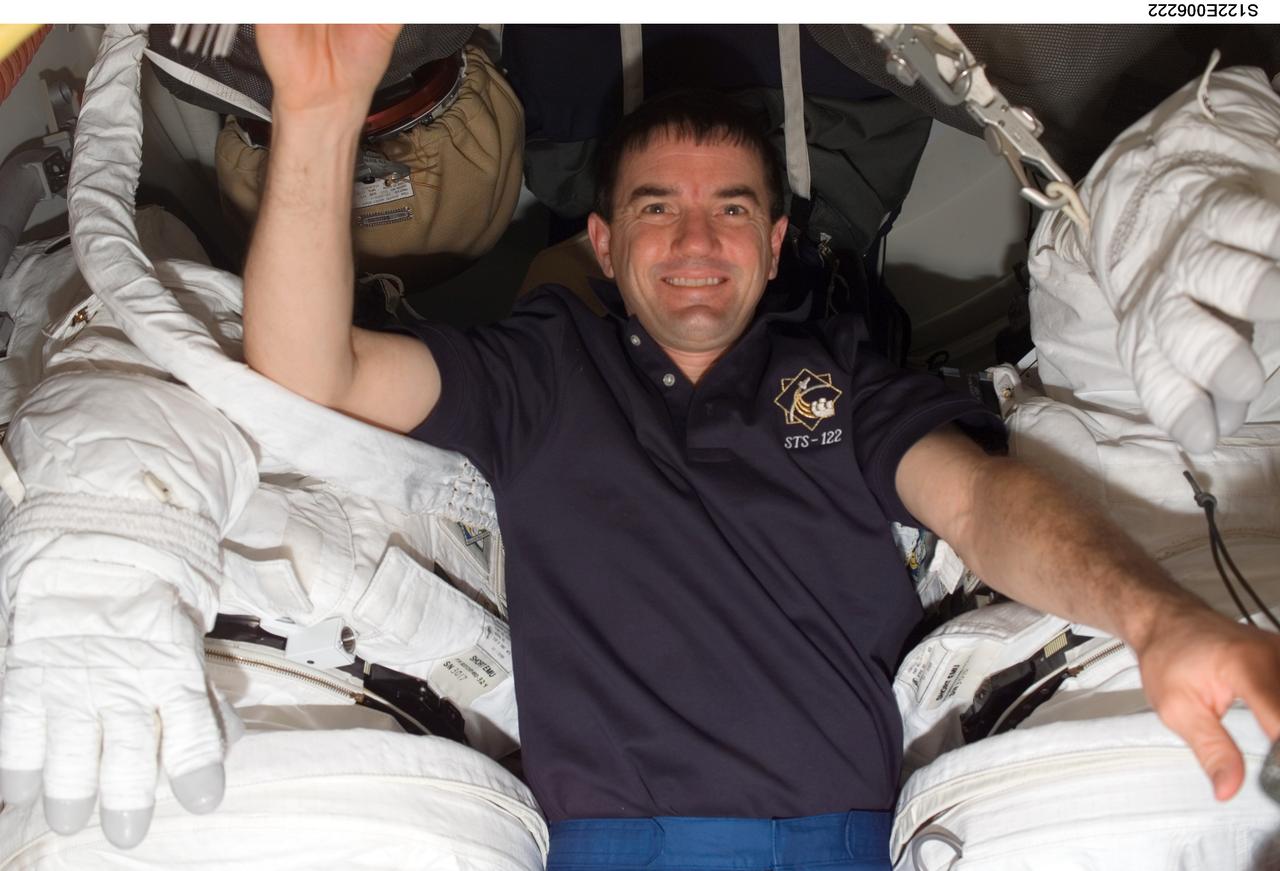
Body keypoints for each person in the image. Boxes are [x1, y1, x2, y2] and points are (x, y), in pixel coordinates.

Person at [243, 24, 1280, 871]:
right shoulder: (539, 373)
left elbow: (975, 505)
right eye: (657, 210)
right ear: (600, 243)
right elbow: (309, 378)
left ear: (774, 243)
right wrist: (319, 114)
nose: (696, 243)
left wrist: (1150, 618)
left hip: (852, 842)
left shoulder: (840, 377)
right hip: (608, 847)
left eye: (729, 210)